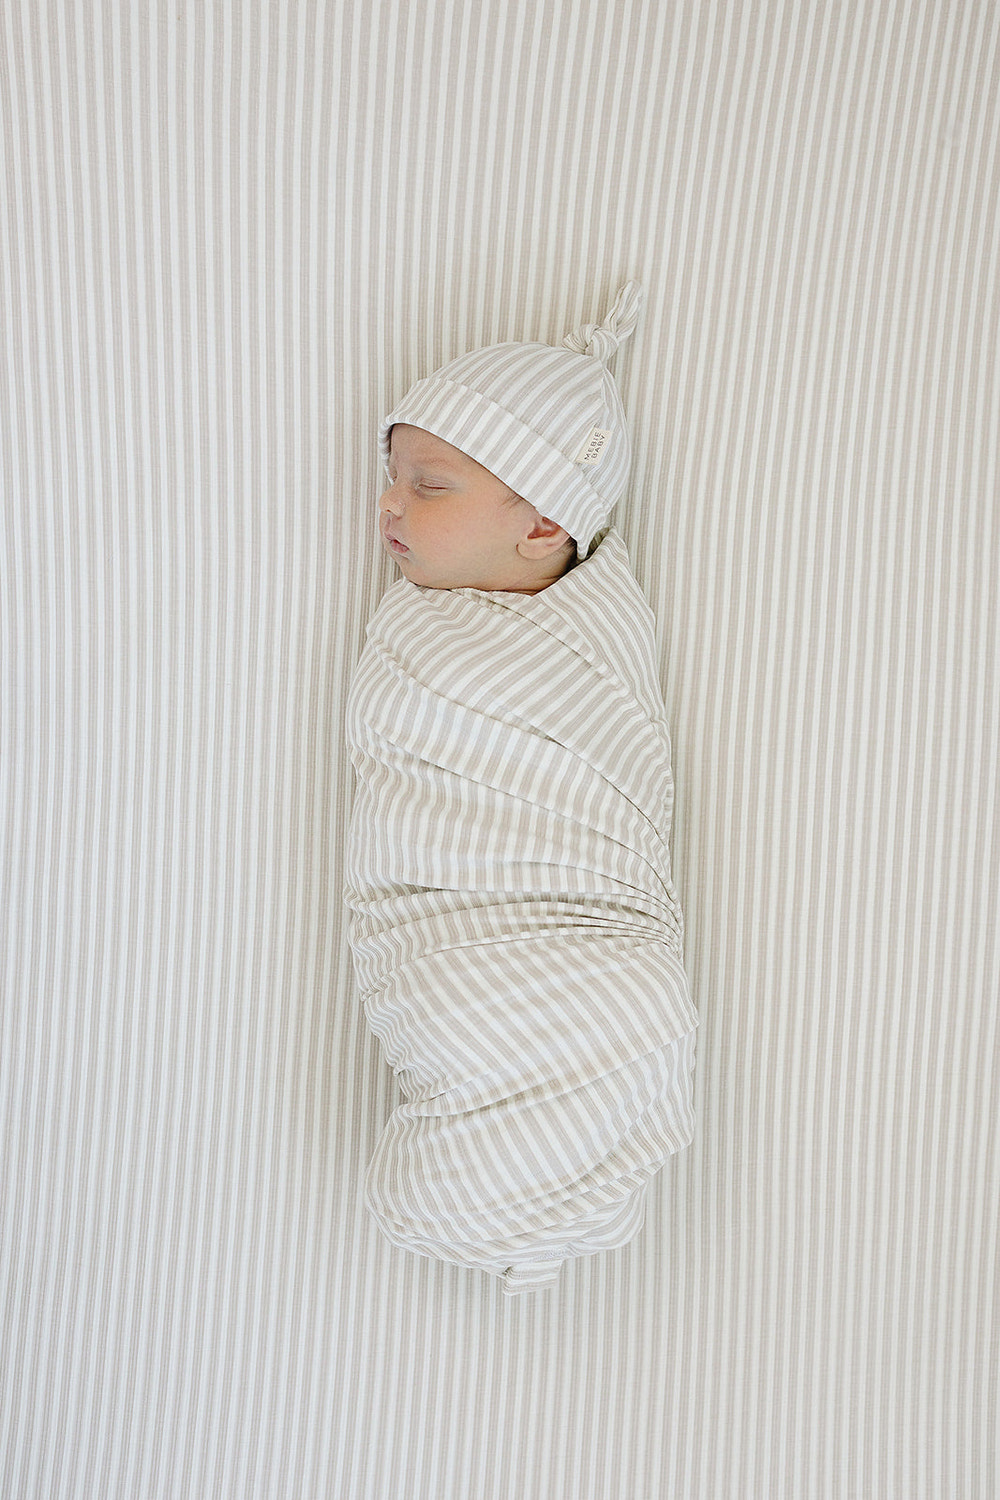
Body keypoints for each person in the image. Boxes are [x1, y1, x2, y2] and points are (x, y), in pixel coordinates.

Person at [345, 281, 698, 1295]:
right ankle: (502, 1201)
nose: (388, 505)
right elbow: (411, 774)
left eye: (428, 485)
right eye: (392, 478)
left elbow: (619, 769)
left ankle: (533, 1201)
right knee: (530, 1018)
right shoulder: (419, 637)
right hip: (457, 932)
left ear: (544, 526)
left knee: (639, 1009)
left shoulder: (599, 624)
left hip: (586, 912)